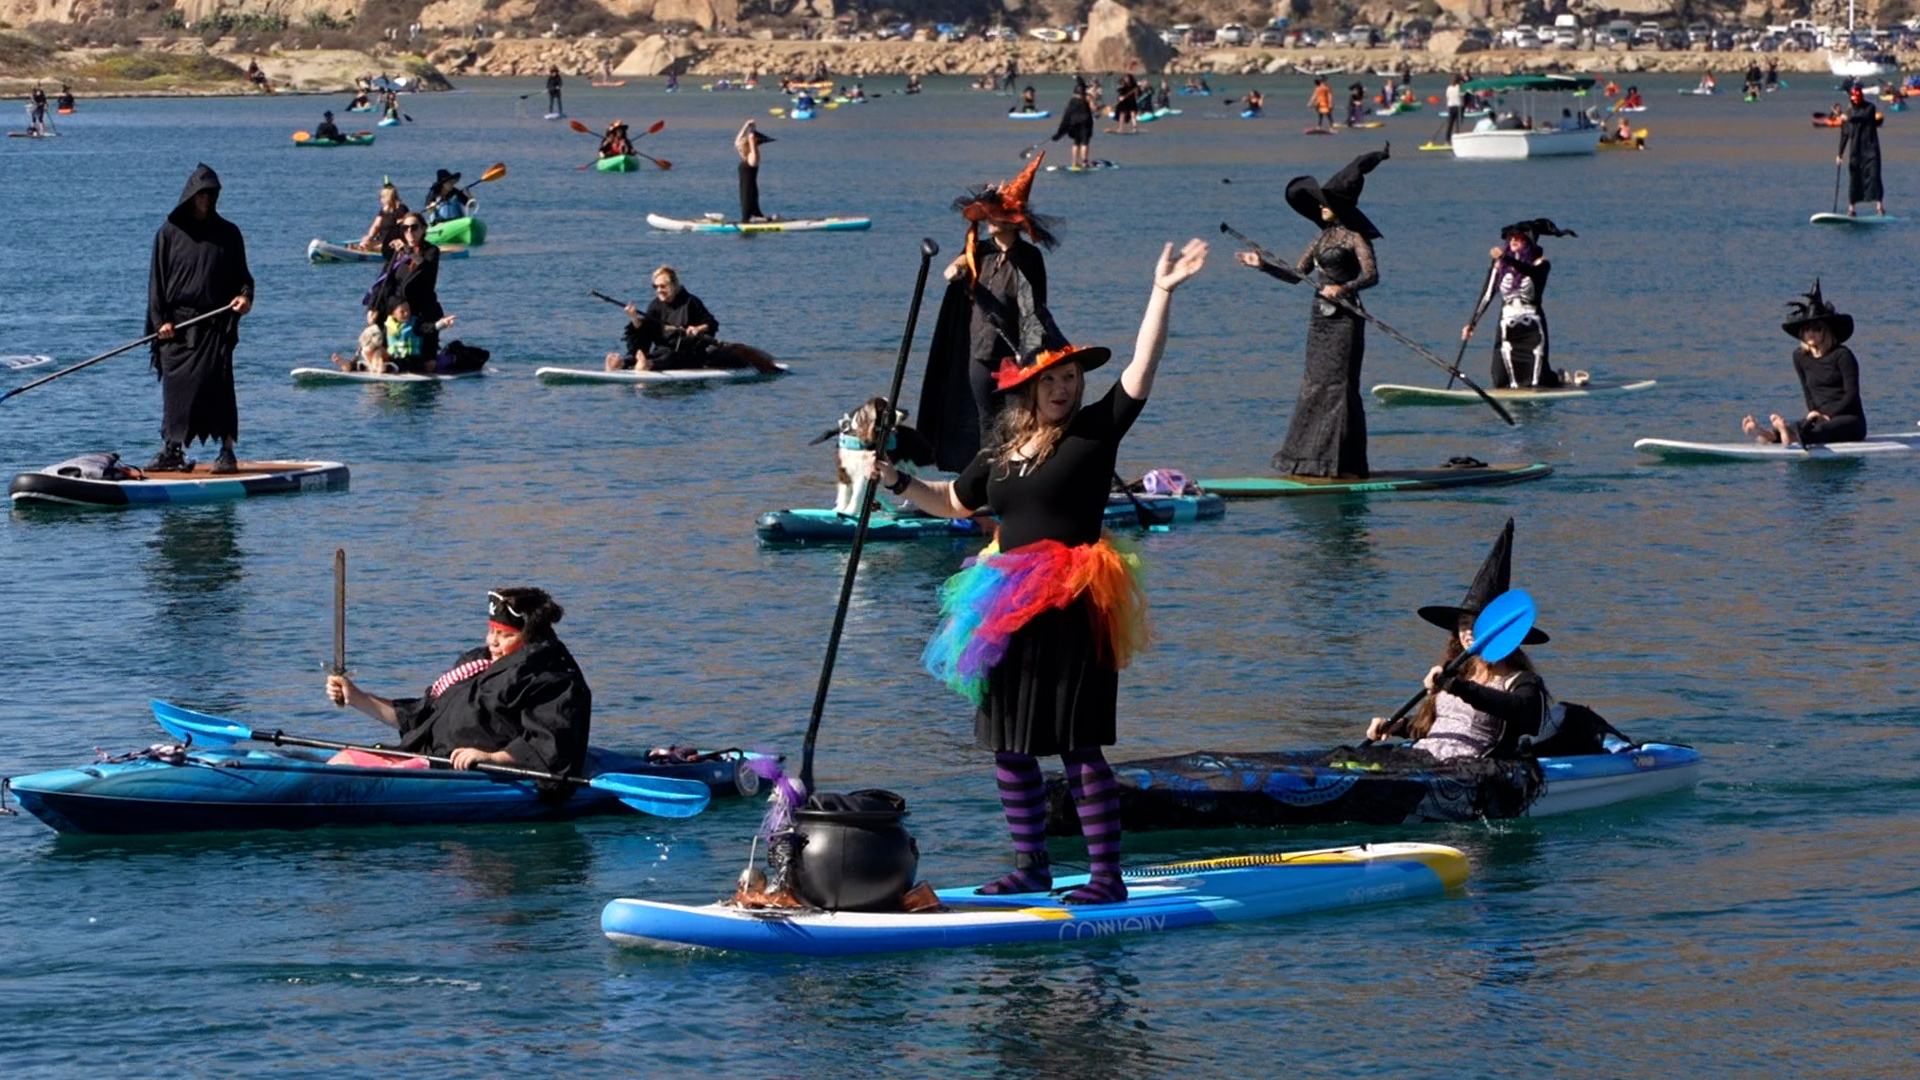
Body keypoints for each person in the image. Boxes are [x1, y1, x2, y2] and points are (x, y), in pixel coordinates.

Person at [876, 238, 1210, 905]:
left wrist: (1162, 291)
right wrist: (896, 480)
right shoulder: (998, 454)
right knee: (1010, 746)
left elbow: (1142, 369)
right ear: (1026, 387)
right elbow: (952, 501)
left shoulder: (1093, 434)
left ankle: (1106, 878)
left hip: (1074, 601)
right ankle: (1030, 866)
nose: (1065, 387)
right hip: (1004, 605)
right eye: (1052, 380)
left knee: (1077, 746)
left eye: (1071, 378)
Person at [325, 588, 592, 789]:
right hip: (427, 758)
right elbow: (420, 717)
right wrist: (356, 697)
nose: (493, 643)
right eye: (492, 632)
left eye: (506, 635)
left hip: (468, 773)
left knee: (346, 770)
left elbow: (550, 745)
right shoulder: (478, 665)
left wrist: (493, 758)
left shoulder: (552, 678)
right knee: (344, 760)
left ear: (531, 637)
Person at [1237, 148, 1388, 478]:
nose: (1320, 208)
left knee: (1339, 387)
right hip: (1319, 321)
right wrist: (1261, 266)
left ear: (1338, 208)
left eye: (1325, 203)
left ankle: (1343, 465)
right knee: (1315, 385)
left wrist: (1343, 288)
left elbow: (1372, 276)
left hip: (1347, 318)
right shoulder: (1320, 239)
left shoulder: (1356, 238)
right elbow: (1296, 275)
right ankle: (1309, 462)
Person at [1363, 520, 1553, 762]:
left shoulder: (1521, 681)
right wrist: (1397, 726)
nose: (1469, 632)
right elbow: (1443, 727)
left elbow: (1526, 714)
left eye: (1478, 624)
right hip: (1426, 757)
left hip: (1471, 769)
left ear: (1502, 631)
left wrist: (1456, 686)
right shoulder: (1457, 673)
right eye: (1464, 623)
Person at [918, 156, 1059, 470]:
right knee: (985, 422)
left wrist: (1030, 356)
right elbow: (950, 271)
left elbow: (1032, 307)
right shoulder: (978, 251)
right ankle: (988, 487)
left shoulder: (1028, 257)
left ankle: (1020, 479)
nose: (988, 221)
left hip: (1014, 357)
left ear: (1012, 221)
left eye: (994, 216)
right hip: (980, 353)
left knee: (1016, 423)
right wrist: (957, 269)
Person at [146, 165, 253, 474]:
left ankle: (227, 451)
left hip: (215, 326)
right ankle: (172, 450)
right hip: (176, 328)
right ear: (190, 196)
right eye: (201, 194)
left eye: (211, 194)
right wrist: (160, 322)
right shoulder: (168, 233)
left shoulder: (228, 233)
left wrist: (244, 298)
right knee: (175, 391)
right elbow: (157, 283)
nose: (206, 199)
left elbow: (244, 279)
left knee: (219, 387)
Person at [1742, 282, 1866, 447]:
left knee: (1822, 430)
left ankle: (1791, 437)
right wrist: (1815, 415)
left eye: (1816, 328)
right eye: (1806, 329)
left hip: (1849, 419)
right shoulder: (1800, 357)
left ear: (1826, 331)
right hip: (1818, 416)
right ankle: (1768, 434)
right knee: (1799, 426)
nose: (1810, 332)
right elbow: (1808, 394)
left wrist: (1827, 416)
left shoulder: (1843, 355)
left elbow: (1852, 396)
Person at [1463, 219, 1580, 389]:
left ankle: (1558, 378)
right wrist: (1472, 323)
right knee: (1499, 380)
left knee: (1537, 381)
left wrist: (1505, 259)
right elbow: (1487, 295)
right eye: (1510, 238)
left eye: (1518, 238)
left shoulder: (1541, 264)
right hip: (1507, 325)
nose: (1513, 241)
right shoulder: (1500, 266)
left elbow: (1529, 271)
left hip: (1532, 326)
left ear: (1529, 241)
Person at [368, 213, 445, 367]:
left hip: (423, 311)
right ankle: (377, 362)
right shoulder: (398, 254)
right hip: (399, 309)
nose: (409, 231)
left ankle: (436, 359)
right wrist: (373, 308)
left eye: (414, 227)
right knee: (377, 323)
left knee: (428, 365)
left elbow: (423, 267)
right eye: (405, 228)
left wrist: (407, 251)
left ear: (423, 229)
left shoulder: (431, 251)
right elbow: (384, 282)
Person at [605, 266, 718, 371]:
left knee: (670, 356)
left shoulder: (691, 302)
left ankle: (647, 364)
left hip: (689, 354)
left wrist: (697, 329)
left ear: (673, 285)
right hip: (663, 350)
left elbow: (711, 323)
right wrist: (634, 318)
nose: (658, 290)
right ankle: (622, 362)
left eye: (663, 286)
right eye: (655, 286)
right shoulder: (655, 305)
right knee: (653, 355)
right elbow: (645, 331)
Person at [1838, 85, 1885, 217]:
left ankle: (1880, 208)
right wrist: (1840, 153)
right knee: (1854, 179)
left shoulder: (1870, 108)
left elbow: (1863, 117)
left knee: (1874, 176)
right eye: (1854, 98)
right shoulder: (1849, 112)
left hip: (1871, 149)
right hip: (1856, 151)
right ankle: (1851, 209)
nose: (1856, 100)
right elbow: (1845, 134)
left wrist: (1849, 118)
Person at [384, 298, 456, 373]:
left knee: (431, 366)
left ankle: (452, 358)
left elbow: (428, 328)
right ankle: (391, 367)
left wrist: (442, 324)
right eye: (402, 312)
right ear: (392, 313)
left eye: (408, 310)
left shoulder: (415, 324)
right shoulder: (387, 326)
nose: (406, 313)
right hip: (395, 358)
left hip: (414, 360)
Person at [356, 178, 410, 254]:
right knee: (365, 241)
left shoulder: (401, 209)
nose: (380, 199)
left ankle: (370, 249)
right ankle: (367, 247)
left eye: (381, 197)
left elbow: (400, 230)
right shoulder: (384, 210)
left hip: (393, 243)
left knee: (369, 245)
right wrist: (370, 237)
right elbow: (376, 226)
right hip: (381, 241)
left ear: (387, 197)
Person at [1051, 79, 1095, 169]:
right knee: (1084, 143)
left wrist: (1060, 132)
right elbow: (1093, 109)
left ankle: (1074, 162)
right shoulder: (1086, 99)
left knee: (1076, 142)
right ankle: (1084, 162)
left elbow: (1066, 116)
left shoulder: (1072, 101)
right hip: (1085, 123)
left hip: (1074, 123)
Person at [735, 120, 773, 222]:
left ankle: (770, 220)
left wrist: (752, 141)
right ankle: (768, 219)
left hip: (750, 192)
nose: (739, 147)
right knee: (748, 215)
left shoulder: (753, 159)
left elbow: (753, 153)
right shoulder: (745, 157)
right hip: (744, 191)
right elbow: (737, 141)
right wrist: (746, 125)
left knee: (747, 218)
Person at [1444, 73, 1465, 143]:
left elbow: (1447, 99)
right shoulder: (1460, 88)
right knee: (1458, 124)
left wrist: (1447, 108)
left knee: (1450, 124)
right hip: (1458, 107)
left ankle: (1447, 140)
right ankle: (1458, 140)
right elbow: (1462, 97)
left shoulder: (1449, 88)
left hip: (1451, 107)